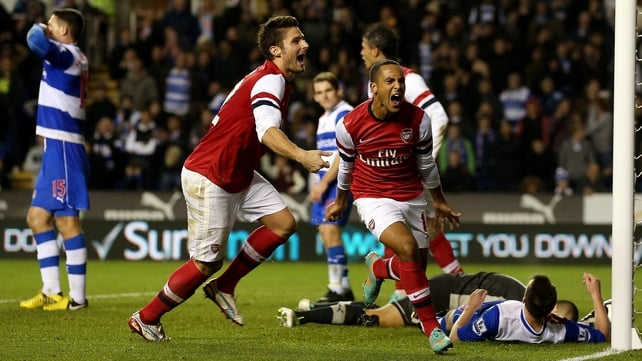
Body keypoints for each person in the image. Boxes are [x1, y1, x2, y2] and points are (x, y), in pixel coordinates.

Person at [128, 15, 330, 342]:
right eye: (297, 40)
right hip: (213, 175)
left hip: (236, 171)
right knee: (206, 263)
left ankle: (225, 286)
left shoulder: (274, 78)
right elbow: (266, 132)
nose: (305, 44)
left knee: (283, 223)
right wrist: (301, 155)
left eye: (303, 38)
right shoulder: (271, 81)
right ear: (276, 51)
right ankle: (146, 317)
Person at [324, 59, 461, 354]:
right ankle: (432, 328)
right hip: (372, 197)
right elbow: (346, 168)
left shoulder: (419, 120)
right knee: (408, 249)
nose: (398, 85)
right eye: (390, 81)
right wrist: (341, 201)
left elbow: (427, 164)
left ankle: (379, 267)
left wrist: (438, 201)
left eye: (400, 81)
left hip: (411, 196)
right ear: (373, 88)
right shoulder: (350, 125)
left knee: (417, 268)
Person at [360, 23, 463, 304]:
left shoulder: (408, 79)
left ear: (377, 50)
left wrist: (420, 161)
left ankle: (406, 289)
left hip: (410, 171)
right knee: (408, 232)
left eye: (364, 48)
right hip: (390, 172)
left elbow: (439, 117)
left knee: (422, 234)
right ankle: (408, 294)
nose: (361, 53)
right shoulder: (377, 84)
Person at [19, 8, 89, 311]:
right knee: (36, 218)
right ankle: (51, 290)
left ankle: (77, 299)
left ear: (63, 31)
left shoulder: (69, 54)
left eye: (53, 24)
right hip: (54, 147)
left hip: (64, 147)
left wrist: (39, 27)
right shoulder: (70, 55)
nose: (48, 28)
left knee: (66, 221)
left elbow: (34, 40)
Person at [276, 271, 527, 328]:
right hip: (439, 295)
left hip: (446, 289)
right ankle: (304, 317)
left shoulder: (520, 290)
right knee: (377, 318)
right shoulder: (517, 304)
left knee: (382, 310)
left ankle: (314, 308)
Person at [446, 273, 609, 343]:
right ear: (551, 308)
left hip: (464, 317)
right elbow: (602, 335)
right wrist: (596, 294)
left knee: (442, 322)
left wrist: (471, 308)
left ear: (523, 300)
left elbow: (455, 337)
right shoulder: (561, 328)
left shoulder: (498, 316)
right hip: (481, 319)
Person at [309, 71, 355, 302]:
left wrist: (325, 183)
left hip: (339, 183)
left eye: (328, 90)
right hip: (325, 183)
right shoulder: (324, 118)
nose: (324, 96)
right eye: (319, 92)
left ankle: (336, 289)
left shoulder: (344, 114)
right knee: (326, 234)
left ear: (338, 91)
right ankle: (343, 286)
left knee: (330, 230)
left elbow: (343, 154)